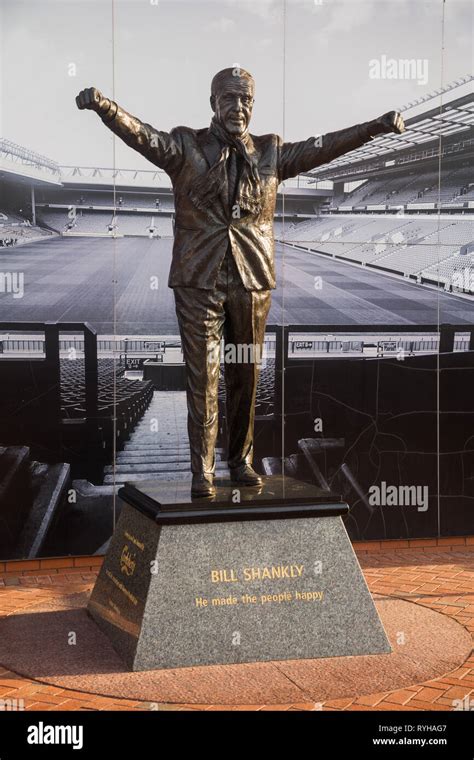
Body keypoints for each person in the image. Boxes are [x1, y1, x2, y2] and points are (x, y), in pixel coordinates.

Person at [76, 67, 405, 497]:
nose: (239, 108)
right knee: (203, 378)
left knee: (246, 376)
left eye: (246, 99)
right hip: (199, 280)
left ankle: (242, 461)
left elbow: (322, 148)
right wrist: (106, 108)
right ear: (213, 102)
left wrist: (373, 128)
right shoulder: (185, 145)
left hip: (250, 280)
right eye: (230, 98)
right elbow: (144, 136)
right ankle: (202, 471)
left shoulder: (271, 151)